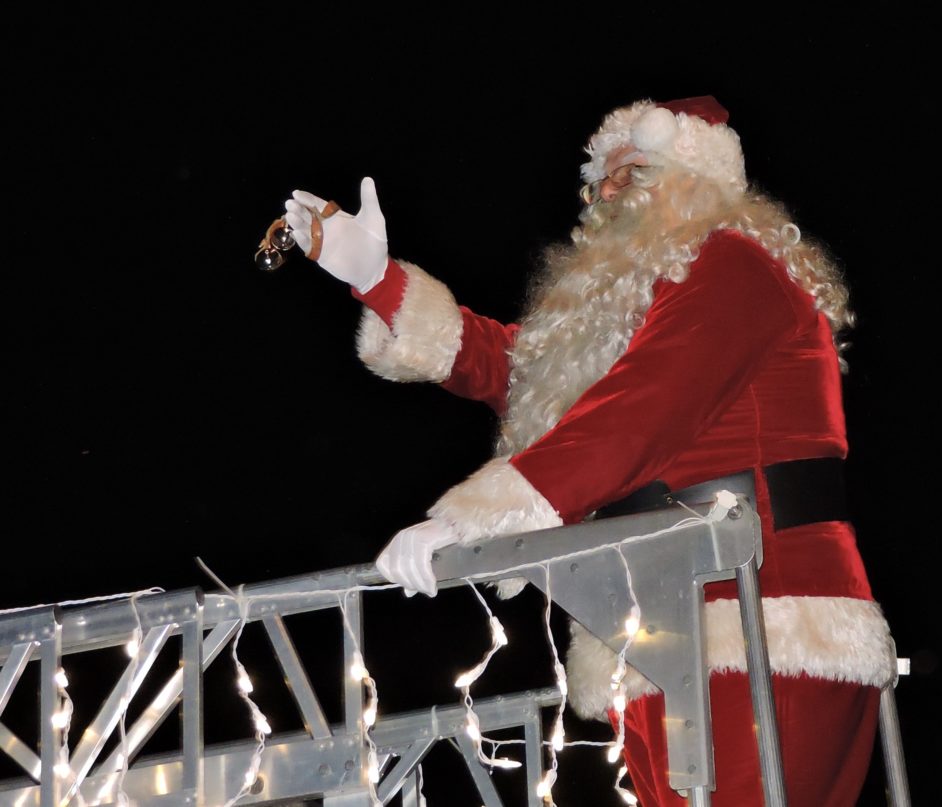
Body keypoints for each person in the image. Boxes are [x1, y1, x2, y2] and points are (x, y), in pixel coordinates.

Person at [283, 96, 895, 807]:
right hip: (664, 626)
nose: (607, 193)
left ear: (693, 175)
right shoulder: (649, 309)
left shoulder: (736, 264)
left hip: (762, 618)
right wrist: (380, 281)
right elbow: (535, 375)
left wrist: (473, 520)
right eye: (599, 180)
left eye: (631, 172)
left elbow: (634, 416)